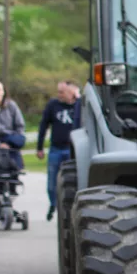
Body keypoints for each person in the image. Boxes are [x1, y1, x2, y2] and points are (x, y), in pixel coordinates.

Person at [37, 80, 81, 221]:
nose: (59, 95)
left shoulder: (79, 106)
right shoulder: (53, 105)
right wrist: (40, 147)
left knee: (72, 182)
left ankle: (69, 211)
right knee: (52, 183)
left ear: (72, 92)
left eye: (62, 92)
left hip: (72, 150)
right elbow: (43, 125)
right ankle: (53, 204)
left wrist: (78, 98)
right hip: (56, 149)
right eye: (58, 92)